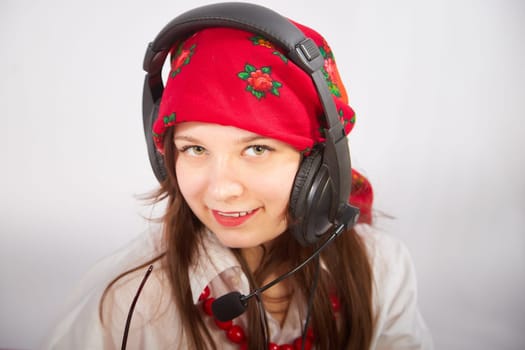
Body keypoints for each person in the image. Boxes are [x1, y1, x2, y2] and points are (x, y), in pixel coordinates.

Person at [43, 3, 432, 349]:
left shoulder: (382, 268)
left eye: (257, 149)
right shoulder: (127, 300)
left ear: (320, 163)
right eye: (195, 149)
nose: (222, 189)